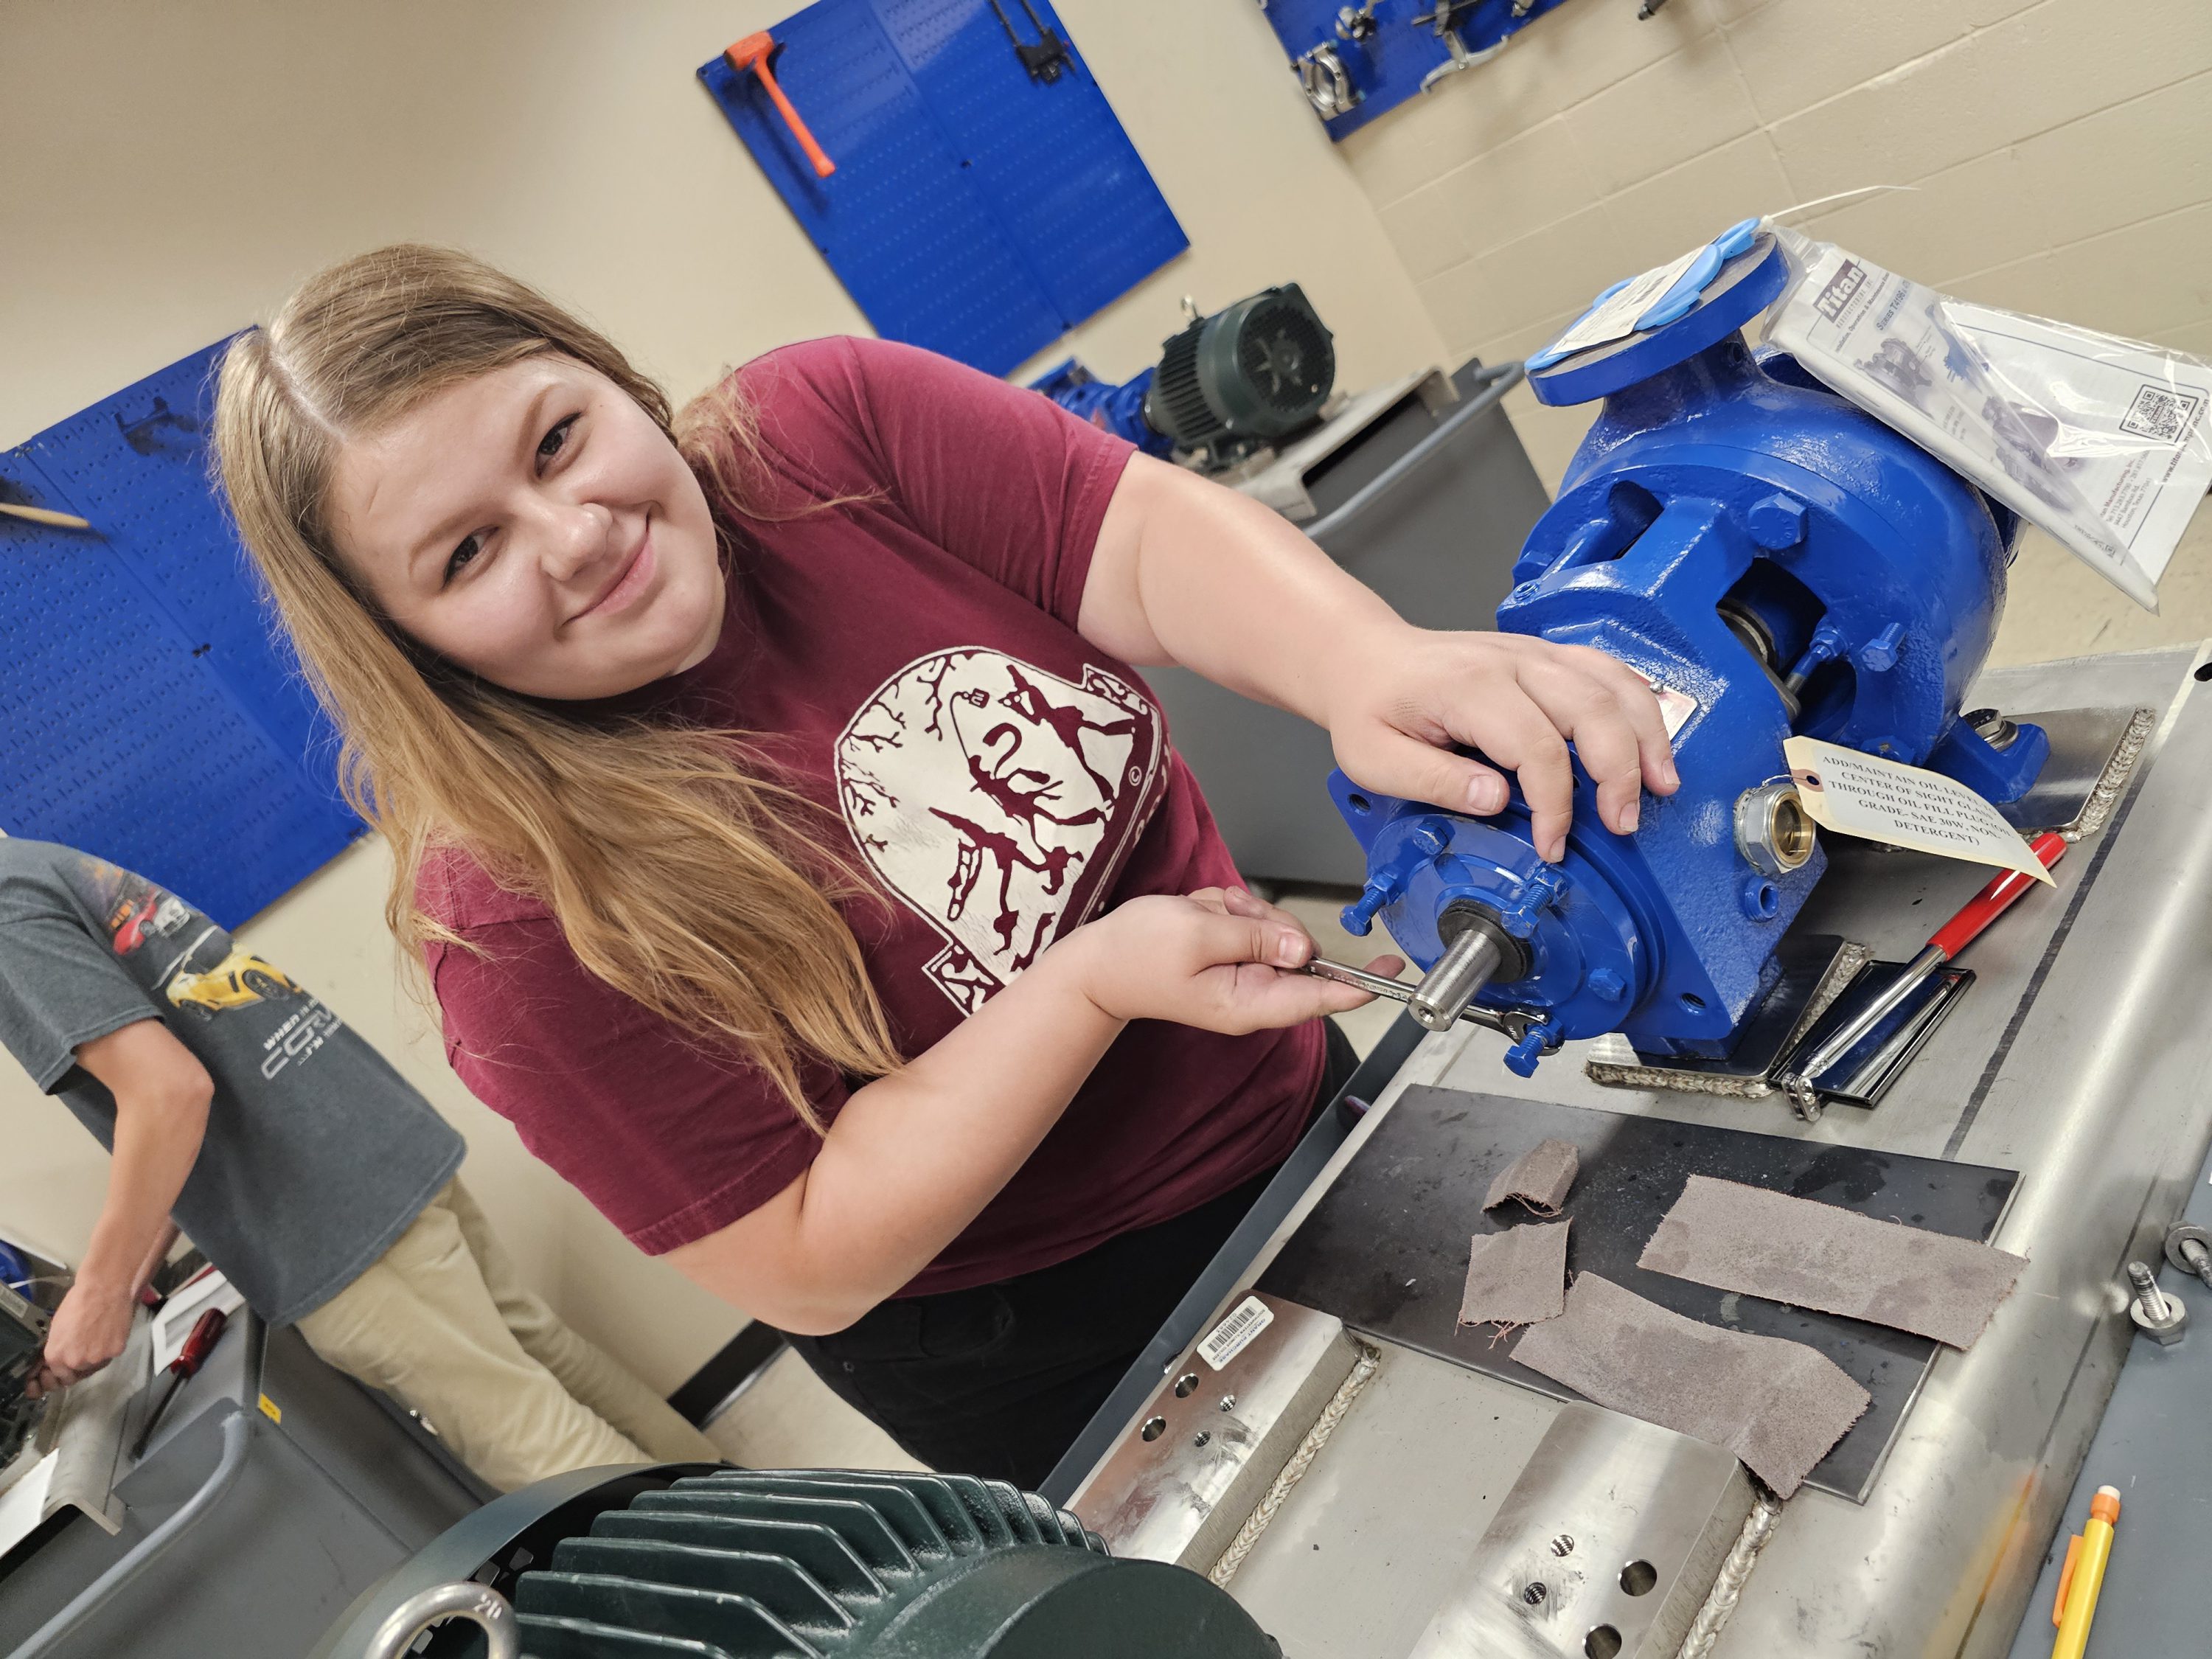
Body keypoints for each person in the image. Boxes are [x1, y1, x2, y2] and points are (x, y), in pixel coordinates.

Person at [212, 246, 1675, 1486]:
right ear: (405, 646)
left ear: (609, 378)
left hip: (1296, 1112)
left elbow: (1138, 541)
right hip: (1053, 1337)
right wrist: (1087, 987)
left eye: (556, 441)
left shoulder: (822, 434)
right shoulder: (515, 923)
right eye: (467, 554)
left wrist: (1367, 662)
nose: (575, 536)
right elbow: (805, 1253)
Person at [0, 835, 722, 1490]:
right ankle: (756, 1514)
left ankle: (749, 1584)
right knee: (542, 1357)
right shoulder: (32, 868)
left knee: (529, 1436)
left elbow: (168, 1094)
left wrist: (99, 1290)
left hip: (327, 1219)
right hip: (373, 1146)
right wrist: (122, 1282)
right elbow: (184, 1091)